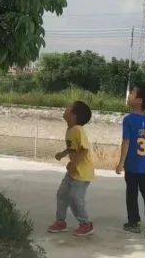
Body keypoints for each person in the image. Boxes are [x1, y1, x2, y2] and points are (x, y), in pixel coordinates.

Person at [116, 85, 145, 239]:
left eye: (132, 93)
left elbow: (126, 142)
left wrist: (121, 162)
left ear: (138, 101)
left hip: (133, 166)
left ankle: (134, 223)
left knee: (132, 194)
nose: (129, 95)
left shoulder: (128, 120)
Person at [48, 100, 95, 237]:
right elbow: (72, 147)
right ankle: (60, 222)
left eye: (68, 108)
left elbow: (84, 150)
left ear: (73, 115)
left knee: (75, 198)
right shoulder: (70, 130)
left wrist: (73, 163)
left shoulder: (78, 130)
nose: (65, 109)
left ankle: (86, 224)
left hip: (82, 173)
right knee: (62, 194)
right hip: (73, 172)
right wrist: (63, 154)